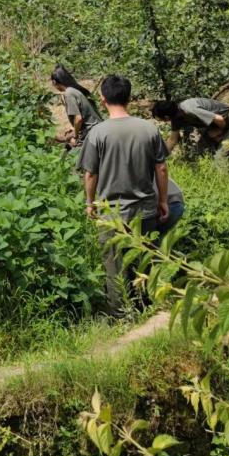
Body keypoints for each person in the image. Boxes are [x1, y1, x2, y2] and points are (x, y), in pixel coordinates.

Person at [77, 75, 170, 317]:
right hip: (145, 210)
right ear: (129, 98)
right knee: (145, 260)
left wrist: (90, 204)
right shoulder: (149, 129)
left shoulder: (98, 133)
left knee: (114, 266)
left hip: (112, 214)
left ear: (103, 98)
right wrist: (162, 200)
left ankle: (120, 315)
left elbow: (90, 174)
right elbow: (161, 168)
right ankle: (147, 310)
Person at [152, 97, 229, 159]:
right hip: (219, 124)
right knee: (201, 153)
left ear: (166, 117)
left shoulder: (190, 109)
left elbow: (219, 118)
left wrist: (220, 131)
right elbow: (172, 140)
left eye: (161, 119)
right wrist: (162, 158)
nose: (162, 122)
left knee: (221, 158)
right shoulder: (176, 118)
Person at [51, 64, 102, 148]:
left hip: (91, 134)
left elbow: (78, 119)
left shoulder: (69, 93)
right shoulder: (74, 90)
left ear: (54, 82)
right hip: (96, 130)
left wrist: (75, 135)